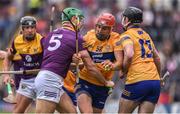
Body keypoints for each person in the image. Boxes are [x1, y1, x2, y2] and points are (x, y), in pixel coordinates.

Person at [34, 7, 113, 113]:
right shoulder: (76, 38)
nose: (81, 24)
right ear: (75, 19)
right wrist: (105, 82)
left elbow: (53, 58)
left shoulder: (50, 35)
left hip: (51, 80)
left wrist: (74, 62)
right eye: (80, 20)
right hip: (50, 81)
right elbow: (90, 67)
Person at [74, 12, 123, 113]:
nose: (100, 30)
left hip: (103, 86)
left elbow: (119, 63)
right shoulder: (88, 37)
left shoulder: (116, 39)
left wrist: (112, 65)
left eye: (104, 28)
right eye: (98, 26)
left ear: (111, 29)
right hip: (84, 81)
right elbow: (78, 58)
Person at [117, 7, 161, 113]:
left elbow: (129, 53)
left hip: (137, 81)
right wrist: (159, 77)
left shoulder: (126, 35)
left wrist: (124, 70)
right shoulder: (146, 35)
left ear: (127, 20)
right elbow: (157, 58)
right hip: (154, 83)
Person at [3, 16, 44, 113]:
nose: (30, 30)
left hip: (41, 79)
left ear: (35, 28)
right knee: (17, 112)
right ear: (22, 29)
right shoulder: (17, 41)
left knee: (41, 111)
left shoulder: (42, 41)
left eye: (32, 27)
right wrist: (6, 74)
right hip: (26, 81)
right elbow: (8, 58)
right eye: (27, 28)